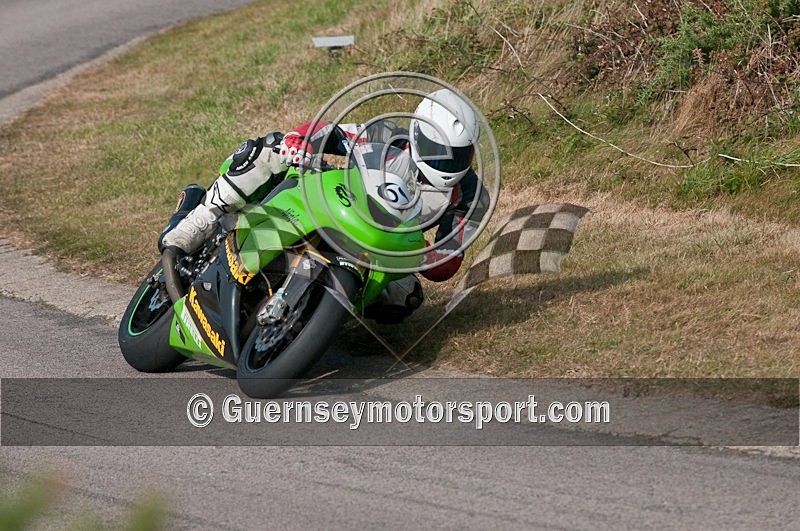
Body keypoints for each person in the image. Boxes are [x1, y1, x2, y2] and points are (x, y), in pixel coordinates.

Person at [160, 89, 490, 322]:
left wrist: (425, 254)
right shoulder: (388, 136)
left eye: (459, 155)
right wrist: (300, 140)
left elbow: (448, 262)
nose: (446, 162)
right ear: (417, 132)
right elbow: (333, 133)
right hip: (338, 204)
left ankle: (320, 320)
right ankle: (201, 218)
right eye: (436, 148)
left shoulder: (472, 198)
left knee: (406, 297)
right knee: (271, 148)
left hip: (383, 249)